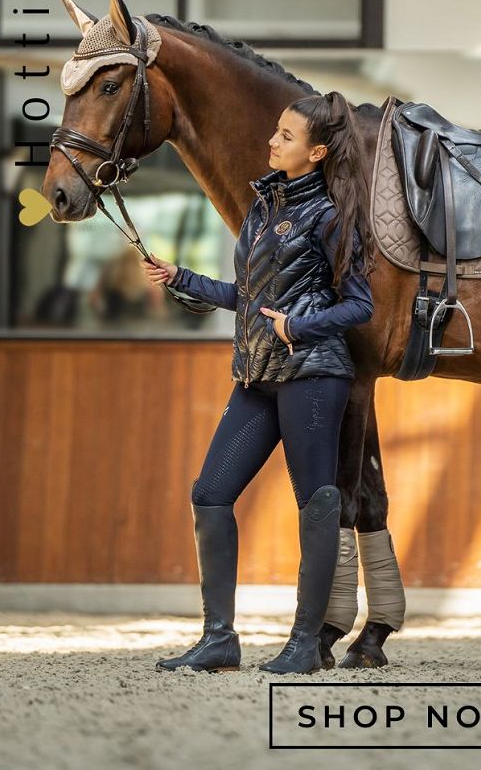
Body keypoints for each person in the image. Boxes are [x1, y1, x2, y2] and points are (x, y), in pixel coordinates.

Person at [141, 90, 376, 675]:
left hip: (314, 377)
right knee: (210, 493)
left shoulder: (330, 216)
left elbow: (360, 306)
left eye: (287, 137)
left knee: (315, 504)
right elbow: (248, 298)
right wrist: (183, 278)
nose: (272, 141)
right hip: (256, 375)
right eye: (276, 130)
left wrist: (301, 323)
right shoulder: (264, 207)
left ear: (317, 152)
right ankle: (219, 638)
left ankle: (303, 645)